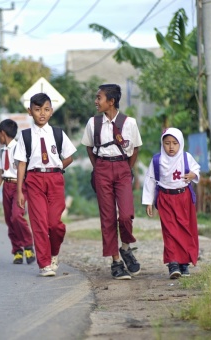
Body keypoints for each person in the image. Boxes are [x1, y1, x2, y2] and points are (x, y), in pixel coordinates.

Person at [81, 84, 142, 280]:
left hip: (123, 169)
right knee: (107, 217)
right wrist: (98, 167)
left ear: (111, 101)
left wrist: (127, 168)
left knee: (125, 215)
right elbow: (89, 148)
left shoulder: (129, 123)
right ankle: (116, 262)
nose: (96, 101)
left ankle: (125, 248)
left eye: (99, 98)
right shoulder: (93, 123)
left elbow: (136, 149)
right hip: (102, 170)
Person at [14, 93, 77, 277]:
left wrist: (58, 167)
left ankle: (54, 252)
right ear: (30, 111)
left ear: (51, 112)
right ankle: (44, 264)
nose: (42, 113)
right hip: (33, 180)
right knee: (39, 224)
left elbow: (69, 156)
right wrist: (19, 191)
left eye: (46, 109)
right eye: (37, 109)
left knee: (55, 225)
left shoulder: (57, 133)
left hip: (55, 179)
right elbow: (21, 164)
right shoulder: (25, 136)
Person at [142, 127, 200, 279]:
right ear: (162, 144)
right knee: (170, 231)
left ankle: (184, 263)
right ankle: (173, 263)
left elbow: (196, 169)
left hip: (184, 198)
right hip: (166, 198)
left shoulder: (186, 157)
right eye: (167, 143)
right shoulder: (157, 160)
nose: (171, 146)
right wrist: (148, 201)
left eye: (175, 143)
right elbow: (150, 180)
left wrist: (193, 174)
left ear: (180, 143)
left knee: (185, 229)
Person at [0, 119, 36, 265]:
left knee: (17, 216)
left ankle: (28, 245)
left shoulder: (19, 148)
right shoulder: (2, 152)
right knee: (9, 220)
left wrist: (23, 189)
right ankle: (17, 250)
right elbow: (1, 173)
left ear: (3, 133)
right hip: (7, 187)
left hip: (19, 186)